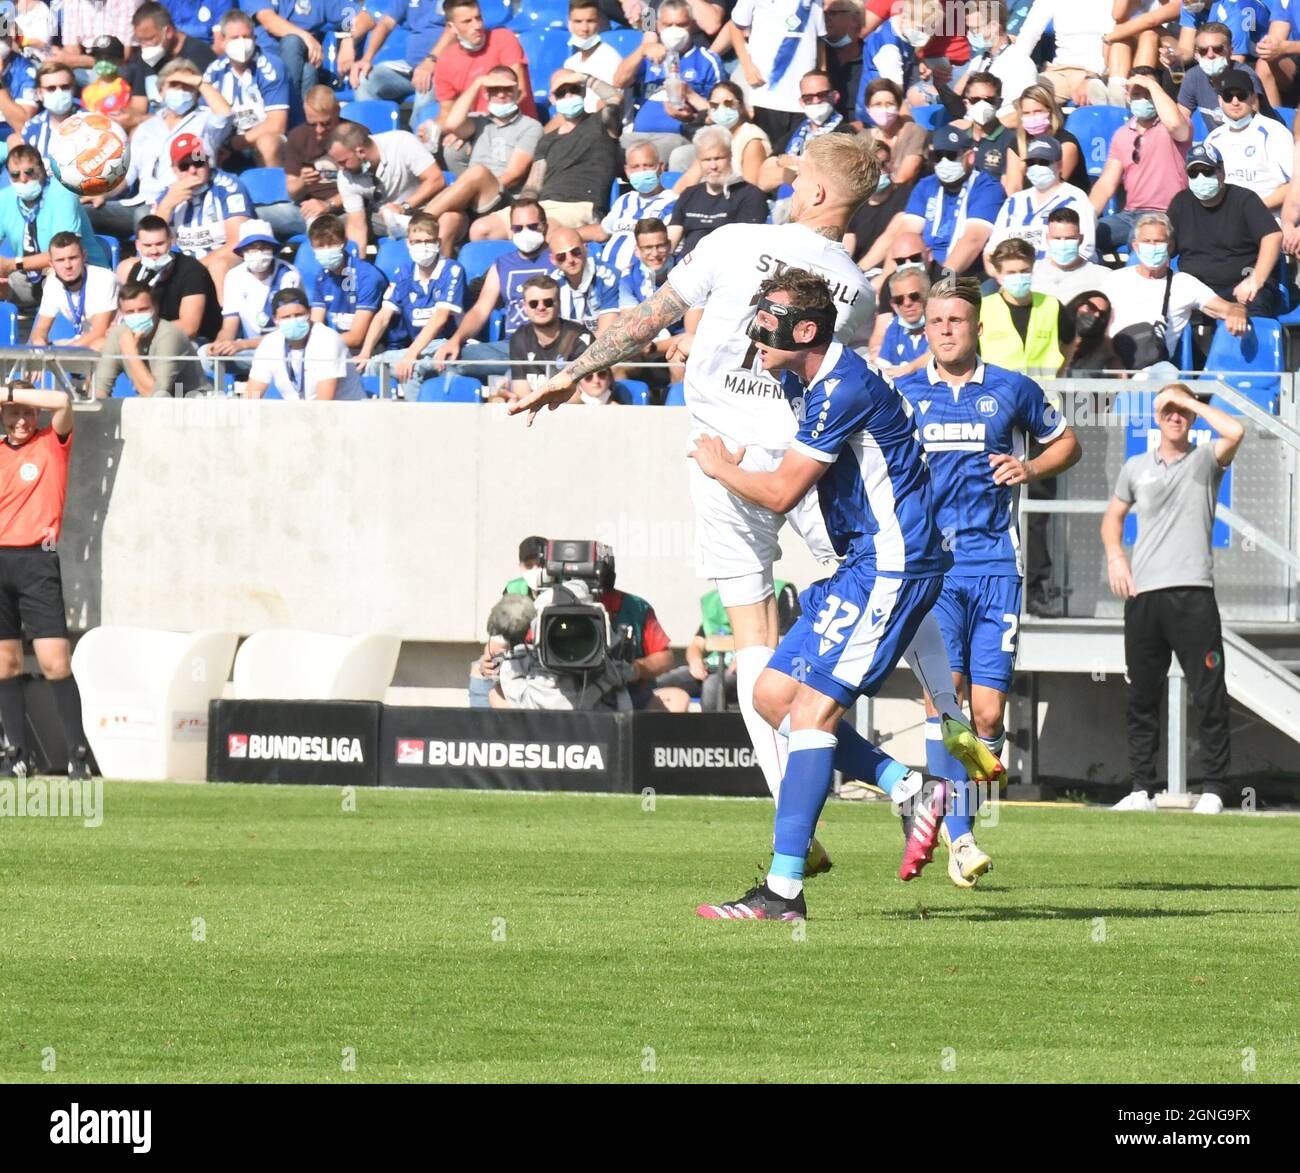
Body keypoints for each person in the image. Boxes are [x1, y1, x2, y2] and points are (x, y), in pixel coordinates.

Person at [512, 135, 998, 874]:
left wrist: (570, 373)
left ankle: (799, 824)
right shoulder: (857, 294)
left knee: (754, 648)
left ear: (817, 194)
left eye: (797, 177)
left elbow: (648, 316)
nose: (786, 184)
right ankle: (948, 731)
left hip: (729, 462)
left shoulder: (734, 239)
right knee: (892, 585)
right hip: (812, 467)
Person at [688, 268, 951, 920]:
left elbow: (781, 491)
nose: (757, 333)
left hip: (893, 565)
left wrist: (722, 466)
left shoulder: (841, 387)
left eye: (768, 320)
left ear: (806, 329)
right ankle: (909, 785)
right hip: (861, 564)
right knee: (773, 695)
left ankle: (783, 891)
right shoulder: (808, 376)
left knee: (812, 714)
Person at [896, 275, 1081, 887]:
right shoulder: (903, 394)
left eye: (956, 321)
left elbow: (1068, 444)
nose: (945, 331)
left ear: (976, 326)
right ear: (924, 328)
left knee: (988, 712)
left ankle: (958, 816)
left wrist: (1028, 466)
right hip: (933, 571)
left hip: (997, 565)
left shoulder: (1011, 389)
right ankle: (960, 837)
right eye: (935, 322)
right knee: (943, 695)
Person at [1102, 383, 1244, 816]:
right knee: (1142, 695)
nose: (1175, 415)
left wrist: (1189, 400)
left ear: (1192, 416)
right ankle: (1142, 788)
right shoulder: (1136, 466)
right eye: (1166, 407)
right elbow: (1113, 518)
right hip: (1144, 596)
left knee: (1209, 693)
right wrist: (1116, 558)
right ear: (1155, 415)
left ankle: (1215, 789)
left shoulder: (1206, 461)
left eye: (1181, 409)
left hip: (1194, 593)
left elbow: (1235, 431)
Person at [0, 380, 91, 780]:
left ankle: (78, 755)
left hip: (38, 561)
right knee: (5, 665)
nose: (20, 419)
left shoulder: (53, 442)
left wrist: (11, 392)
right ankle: (17, 756)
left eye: (25, 411)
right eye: (12, 413)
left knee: (55, 662)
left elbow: (62, 401)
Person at [94, 58, 235, 239]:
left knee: (146, 218)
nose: (181, 91)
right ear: (161, 91)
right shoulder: (146, 127)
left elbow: (225, 115)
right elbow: (128, 175)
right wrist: (103, 194)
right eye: (174, 85)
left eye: (187, 86)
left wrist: (199, 81)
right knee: (86, 212)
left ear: (196, 93)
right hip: (141, 201)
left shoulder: (206, 122)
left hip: (183, 202)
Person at [1104, 211, 1247, 377]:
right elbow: (1102, 326)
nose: (1152, 247)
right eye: (1147, 242)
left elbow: (1226, 308)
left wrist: (1238, 311)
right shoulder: (1115, 279)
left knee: (1164, 372)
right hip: (1112, 361)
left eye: (1158, 242)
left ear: (1170, 246)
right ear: (1135, 246)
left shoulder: (1184, 283)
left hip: (1153, 368)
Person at [421, 66, 542, 254]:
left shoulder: (530, 126)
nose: (501, 95)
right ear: (485, 94)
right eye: (494, 89)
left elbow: (514, 175)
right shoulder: (479, 121)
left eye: (507, 89)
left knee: (478, 172)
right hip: (473, 199)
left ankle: (419, 221)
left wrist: (475, 185)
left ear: (518, 92)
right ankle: (443, 273)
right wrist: (478, 82)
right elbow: (452, 124)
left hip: (503, 198)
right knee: (448, 220)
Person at [865, 125, 1004, 280]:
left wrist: (944, 282)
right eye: (938, 156)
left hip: (962, 275)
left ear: (970, 157)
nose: (944, 162)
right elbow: (905, 236)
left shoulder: (987, 188)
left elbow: (973, 240)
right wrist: (887, 281)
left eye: (951, 155)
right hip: (922, 269)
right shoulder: (926, 185)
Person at [435, 197, 554, 374]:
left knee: (515, 376)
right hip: (509, 348)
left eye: (532, 226)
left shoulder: (559, 258)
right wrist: (456, 339)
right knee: (451, 361)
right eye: (518, 228)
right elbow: (481, 310)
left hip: (550, 348)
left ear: (544, 226)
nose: (525, 232)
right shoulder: (502, 264)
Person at [1168, 142, 1282, 325]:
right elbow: (1165, 245)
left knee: (1256, 310)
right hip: (1198, 291)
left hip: (1243, 286)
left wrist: (1256, 279)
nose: (1201, 177)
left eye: (1207, 171)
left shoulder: (1244, 199)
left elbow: (1273, 236)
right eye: (1193, 173)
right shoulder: (1180, 203)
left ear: (1221, 171)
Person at [356, 213, 468, 401]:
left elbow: (440, 318)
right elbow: (383, 316)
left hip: (449, 345)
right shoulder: (403, 272)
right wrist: (365, 352)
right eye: (417, 241)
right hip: (419, 348)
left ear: (438, 242)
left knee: (410, 368)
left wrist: (410, 354)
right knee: (370, 365)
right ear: (408, 243)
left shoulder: (452, 270)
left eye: (428, 241)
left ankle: (416, 423)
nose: (423, 247)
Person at [1090, 66, 1192, 256]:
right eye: (1137, 94)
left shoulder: (1173, 124)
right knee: (1085, 238)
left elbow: (1178, 126)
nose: (1143, 99)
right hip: (1129, 215)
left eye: (1149, 94)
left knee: (1139, 243)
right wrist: (1085, 220)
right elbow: (1106, 184)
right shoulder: (1121, 134)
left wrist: (1152, 85)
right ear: (1128, 97)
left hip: (1166, 214)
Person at [0, 146, 109, 310]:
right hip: (28, 276)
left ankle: (49, 333)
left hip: (78, 272)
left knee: (57, 273)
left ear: (42, 170)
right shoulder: (5, 198)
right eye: (15, 175)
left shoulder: (62, 194)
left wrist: (11, 264)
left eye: (29, 172)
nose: (23, 179)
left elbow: (64, 254)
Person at [514, 72, 623, 232]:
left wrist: (584, 78)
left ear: (583, 93)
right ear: (552, 99)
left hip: (581, 206)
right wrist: (522, 209)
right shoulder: (547, 139)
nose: (568, 95)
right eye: (561, 93)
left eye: (574, 89)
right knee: (482, 229)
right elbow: (533, 185)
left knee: (544, 229)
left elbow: (615, 99)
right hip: (544, 207)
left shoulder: (601, 123)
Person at [615, 1, 721, 163]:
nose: (674, 31)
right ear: (658, 26)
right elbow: (618, 81)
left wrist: (691, 101)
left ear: (692, 25)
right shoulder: (647, 54)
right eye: (668, 25)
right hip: (638, 137)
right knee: (607, 151)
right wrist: (642, 50)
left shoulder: (707, 60)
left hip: (679, 137)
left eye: (681, 25)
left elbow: (720, 112)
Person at [152, 133, 252, 299]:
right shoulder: (167, 195)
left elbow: (238, 242)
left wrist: (193, 269)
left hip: (219, 257)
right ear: (174, 170)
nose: (192, 170)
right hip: (181, 263)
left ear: (207, 161)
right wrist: (166, 208)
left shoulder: (229, 187)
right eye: (184, 166)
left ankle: (225, 321)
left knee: (219, 266)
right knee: (128, 266)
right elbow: (151, 242)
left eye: (198, 162)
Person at [201, 220, 304, 379]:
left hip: (284, 349)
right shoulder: (234, 276)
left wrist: (241, 345)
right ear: (242, 252)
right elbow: (230, 325)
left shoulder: (289, 275)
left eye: (264, 248)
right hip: (252, 350)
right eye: (252, 249)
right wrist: (220, 343)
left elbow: (287, 332)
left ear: (273, 249)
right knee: (206, 354)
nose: (258, 253)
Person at [326, 122, 446, 248]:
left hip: (427, 211)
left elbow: (436, 179)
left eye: (343, 162)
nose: (341, 168)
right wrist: (357, 264)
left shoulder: (402, 142)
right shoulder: (345, 176)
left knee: (450, 220)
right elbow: (357, 227)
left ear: (361, 152)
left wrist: (403, 207)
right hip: (386, 220)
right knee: (333, 226)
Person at [729, 0, 826, 154]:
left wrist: (823, 76)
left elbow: (819, 40)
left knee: (800, 156)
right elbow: (735, 26)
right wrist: (747, 66)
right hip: (767, 94)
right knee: (771, 156)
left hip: (805, 98)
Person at [203, 8, 292, 170]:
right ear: (222, 41)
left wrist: (235, 143)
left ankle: (272, 194)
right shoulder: (213, 72)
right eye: (235, 38)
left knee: (267, 142)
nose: (242, 43)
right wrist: (217, 146)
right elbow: (203, 120)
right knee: (196, 144)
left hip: (264, 142)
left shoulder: (272, 66)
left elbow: (276, 125)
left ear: (255, 38)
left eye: (246, 37)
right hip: (226, 144)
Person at [987, 135, 1097, 264]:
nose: (1036, 167)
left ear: (1059, 164)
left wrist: (1042, 274)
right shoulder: (1014, 201)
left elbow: (1085, 249)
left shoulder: (1075, 199)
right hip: (1011, 275)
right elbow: (991, 249)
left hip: (1060, 275)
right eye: (1031, 162)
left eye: (1044, 162)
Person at [428, 0, 537, 129]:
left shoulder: (503, 38)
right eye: (467, 21)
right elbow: (446, 113)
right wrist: (435, 131)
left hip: (516, 124)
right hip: (478, 128)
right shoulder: (446, 61)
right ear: (451, 27)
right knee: (450, 146)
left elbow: (519, 92)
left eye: (478, 18)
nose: (477, 25)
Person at [246, 287, 367, 401]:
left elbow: (325, 403)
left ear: (309, 313)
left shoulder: (327, 340)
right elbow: (253, 394)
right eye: (286, 317)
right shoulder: (269, 343)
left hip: (343, 416)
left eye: (298, 315)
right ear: (275, 320)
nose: (293, 320)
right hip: (300, 416)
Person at [116, 215, 222, 344]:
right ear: (138, 245)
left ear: (171, 241)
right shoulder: (138, 271)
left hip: (195, 341)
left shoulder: (192, 270)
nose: (154, 251)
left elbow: (189, 328)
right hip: (149, 336)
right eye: (147, 245)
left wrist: (143, 331)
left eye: (160, 244)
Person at [93, 283, 210, 399]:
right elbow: (99, 389)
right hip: (155, 407)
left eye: (143, 309)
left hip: (194, 405)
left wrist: (131, 354)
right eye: (130, 312)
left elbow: (155, 395)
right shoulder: (119, 335)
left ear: (155, 307)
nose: (137, 315)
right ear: (121, 313)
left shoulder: (170, 336)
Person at [666, 126, 769, 255]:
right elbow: (670, 242)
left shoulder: (750, 195)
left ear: (730, 156)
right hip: (686, 265)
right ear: (698, 161)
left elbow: (744, 245)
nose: (713, 166)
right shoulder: (689, 194)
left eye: (719, 158)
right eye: (706, 160)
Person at [1202, 68, 1292, 209]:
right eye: (1228, 96)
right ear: (1220, 100)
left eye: (1241, 95)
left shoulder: (1274, 132)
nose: (1235, 102)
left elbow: (1294, 185)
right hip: (1227, 219)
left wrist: (1253, 211)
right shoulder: (1213, 139)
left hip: (1267, 217)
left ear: (1253, 98)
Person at [586, 142, 679, 275]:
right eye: (635, 167)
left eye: (648, 166)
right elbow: (602, 231)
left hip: (639, 278)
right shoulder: (624, 200)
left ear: (661, 167)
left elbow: (663, 248)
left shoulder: (673, 202)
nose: (641, 171)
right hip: (606, 276)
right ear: (627, 171)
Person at [759, 69, 856, 193]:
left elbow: (824, 178)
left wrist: (787, 166)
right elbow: (762, 180)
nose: (816, 101)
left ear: (835, 96)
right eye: (808, 98)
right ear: (801, 102)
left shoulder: (845, 133)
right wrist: (795, 167)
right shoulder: (798, 128)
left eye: (822, 95)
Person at [122, 3, 217, 130]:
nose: (144, 46)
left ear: (168, 31)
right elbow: (139, 105)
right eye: (140, 40)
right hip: (154, 129)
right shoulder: (146, 57)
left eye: (149, 39)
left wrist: (140, 119)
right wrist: (125, 116)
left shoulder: (199, 54)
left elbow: (208, 111)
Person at [306, 215, 386, 358]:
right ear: (312, 247)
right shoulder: (321, 276)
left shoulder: (367, 277)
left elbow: (356, 337)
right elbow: (316, 324)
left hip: (371, 351)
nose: (326, 250)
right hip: (335, 348)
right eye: (320, 246)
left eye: (331, 244)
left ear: (344, 242)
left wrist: (315, 344)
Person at [981, 238, 1064, 375]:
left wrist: (1060, 374)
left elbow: (1070, 340)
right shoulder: (982, 308)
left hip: (1045, 393)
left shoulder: (1052, 305)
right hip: (998, 393)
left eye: (1024, 271)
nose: (1018, 277)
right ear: (998, 273)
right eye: (1011, 273)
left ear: (1032, 268)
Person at [669, 80, 772, 186]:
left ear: (741, 107)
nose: (722, 109)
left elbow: (751, 187)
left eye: (728, 103)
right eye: (714, 105)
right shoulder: (714, 134)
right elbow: (690, 177)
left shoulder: (752, 140)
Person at [1011, 0, 1113, 107]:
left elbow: (1113, 38)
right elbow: (1029, 34)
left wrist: (1092, 76)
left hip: (1096, 72)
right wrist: (1012, 70)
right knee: (1017, 98)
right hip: (1059, 71)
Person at [28, 232, 119, 352]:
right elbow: (41, 328)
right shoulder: (52, 283)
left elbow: (99, 332)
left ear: (84, 256)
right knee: (30, 353)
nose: (67, 265)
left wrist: (65, 353)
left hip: (113, 340)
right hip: (82, 340)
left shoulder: (104, 279)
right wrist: (39, 341)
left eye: (73, 258)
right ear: (51, 264)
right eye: (60, 260)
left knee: (95, 347)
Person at [507, 275, 593, 401]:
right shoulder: (519, 338)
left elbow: (581, 396)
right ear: (525, 307)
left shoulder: (580, 338)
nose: (541, 307)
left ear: (559, 303)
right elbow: (521, 392)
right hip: (535, 413)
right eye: (533, 303)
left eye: (548, 302)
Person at [1179, 20, 1270, 131]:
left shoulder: (1245, 77)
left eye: (1218, 49)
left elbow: (1253, 125)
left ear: (1230, 51)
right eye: (1203, 50)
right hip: (1218, 142)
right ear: (1196, 53)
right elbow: (1181, 121)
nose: (1210, 55)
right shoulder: (1193, 76)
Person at [280, 86, 344, 239]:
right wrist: (303, 181)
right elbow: (292, 191)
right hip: (305, 210)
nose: (319, 130)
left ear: (337, 111)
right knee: (259, 216)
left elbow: (364, 189)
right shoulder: (297, 136)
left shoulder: (354, 135)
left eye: (326, 123)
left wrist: (327, 205)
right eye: (312, 124)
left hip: (343, 210)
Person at [250, 0, 338, 106]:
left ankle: (294, 114)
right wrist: (306, 37)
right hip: (263, 66)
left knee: (309, 71)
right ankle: (288, 108)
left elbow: (352, 15)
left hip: (301, 63)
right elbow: (269, 21)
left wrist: (349, 39)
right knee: (292, 42)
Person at [1004, 84, 1089, 195]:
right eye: (1026, 113)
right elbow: (1013, 186)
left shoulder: (1066, 143)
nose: (1032, 116)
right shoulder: (1017, 143)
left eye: (1038, 111)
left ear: (1049, 112)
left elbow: (1056, 185)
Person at [843, 140, 913, 265]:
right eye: (871, 166)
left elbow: (890, 237)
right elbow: (848, 243)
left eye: (881, 164)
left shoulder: (907, 196)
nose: (878, 171)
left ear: (891, 164)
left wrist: (859, 271)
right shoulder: (856, 203)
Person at [957, 0, 1037, 105]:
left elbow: (1019, 111)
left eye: (975, 28)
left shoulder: (1020, 64)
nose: (969, 34)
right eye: (968, 28)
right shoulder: (978, 61)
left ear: (993, 26)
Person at [547, 228, 620, 336]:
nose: (570, 260)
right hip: (572, 346)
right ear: (553, 260)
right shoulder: (552, 285)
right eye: (561, 257)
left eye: (575, 252)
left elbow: (605, 336)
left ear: (585, 249)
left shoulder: (608, 278)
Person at [1032, 206, 1112, 304]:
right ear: (1047, 238)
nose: (1063, 243)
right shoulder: (1032, 272)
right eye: (1057, 238)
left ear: (1081, 239)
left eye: (1070, 238)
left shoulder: (1103, 276)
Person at [857, 79, 927, 186]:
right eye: (877, 104)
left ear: (898, 107)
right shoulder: (863, 138)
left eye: (889, 104)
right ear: (868, 109)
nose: (884, 109)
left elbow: (904, 177)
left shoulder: (915, 132)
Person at [562, 0, 625, 113]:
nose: (584, 28)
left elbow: (608, 106)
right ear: (569, 24)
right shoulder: (570, 63)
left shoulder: (610, 59)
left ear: (599, 23)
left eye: (590, 21)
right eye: (578, 21)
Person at [868, 266, 930, 378]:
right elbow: (883, 367)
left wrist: (907, 369)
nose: (907, 304)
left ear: (928, 296)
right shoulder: (894, 327)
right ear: (893, 305)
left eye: (914, 296)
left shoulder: (942, 324)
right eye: (899, 300)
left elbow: (938, 356)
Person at [13, 60, 77, 156]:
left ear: (73, 89)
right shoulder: (32, 127)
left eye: (65, 87)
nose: (58, 92)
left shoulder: (89, 120)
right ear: (39, 93)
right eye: (51, 88)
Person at [1058, 288, 1124, 374]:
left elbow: (1119, 373)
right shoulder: (1055, 328)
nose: (1096, 315)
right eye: (1092, 307)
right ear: (1078, 304)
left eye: (1102, 314)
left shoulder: (1102, 345)